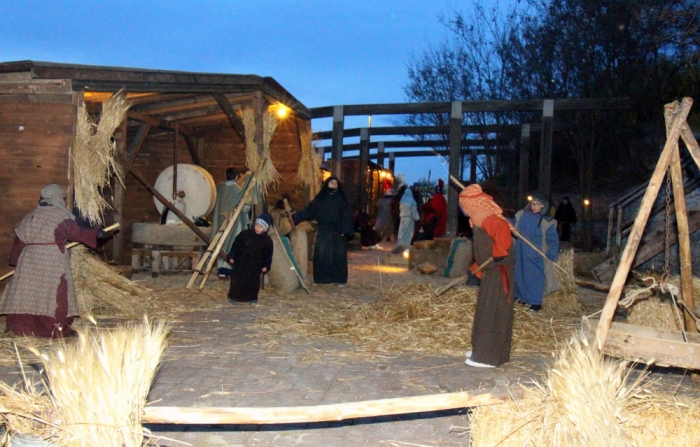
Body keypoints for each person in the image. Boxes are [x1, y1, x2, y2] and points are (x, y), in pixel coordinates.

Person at [0, 184, 101, 338]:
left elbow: (19, 241)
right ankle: (55, 329)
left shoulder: (31, 216)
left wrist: (16, 262)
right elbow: (76, 232)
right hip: (51, 259)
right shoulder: (59, 216)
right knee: (54, 293)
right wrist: (97, 234)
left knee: (25, 292)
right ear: (58, 199)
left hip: (28, 260)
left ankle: (20, 328)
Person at [459, 184, 515, 368]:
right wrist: (477, 267)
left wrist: (499, 251)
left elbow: (502, 230)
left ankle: (488, 357)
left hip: (499, 271)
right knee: (485, 309)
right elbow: (485, 248)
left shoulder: (486, 216)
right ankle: (480, 350)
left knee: (493, 311)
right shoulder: (479, 217)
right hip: (492, 269)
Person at [293, 176, 354, 285]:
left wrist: (346, 230)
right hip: (324, 230)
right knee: (322, 253)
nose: (333, 185)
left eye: (335, 184)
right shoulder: (320, 200)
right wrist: (295, 217)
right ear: (327, 185)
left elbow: (347, 215)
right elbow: (309, 211)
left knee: (338, 255)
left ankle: (339, 279)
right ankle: (322, 278)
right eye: (331, 183)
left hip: (338, 231)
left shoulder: (342, 200)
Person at [512, 190, 560, 311]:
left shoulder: (546, 221)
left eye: (537, 205)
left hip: (536, 254)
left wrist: (551, 254)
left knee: (534, 278)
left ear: (543, 205)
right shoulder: (522, 214)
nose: (534, 207)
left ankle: (534, 302)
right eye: (533, 204)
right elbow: (513, 226)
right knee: (519, 274)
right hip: (521, 251)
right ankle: (520, 298)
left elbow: (553, 240)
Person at [211, 167, 250, 280]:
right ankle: (229, 270)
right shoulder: (238, 190)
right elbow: (244, 207)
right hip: (233, 222)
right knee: (232, 243)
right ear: (236, 176)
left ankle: (221, 270)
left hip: (220, 221)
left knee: (221, 243)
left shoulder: (220, 188)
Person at [227, 213, 273, 304]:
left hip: (255, 265)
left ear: (265, 228)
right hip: (241, 262)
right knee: (237, 280)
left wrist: (266, 265)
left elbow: (268, 254)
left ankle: (252, 298)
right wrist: (232, 256)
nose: (257, 227)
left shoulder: (267, 241)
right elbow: (236, 245)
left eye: (260, 226)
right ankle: (234, 297)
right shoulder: (245, 234)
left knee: (253, 282)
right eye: (256, 225)